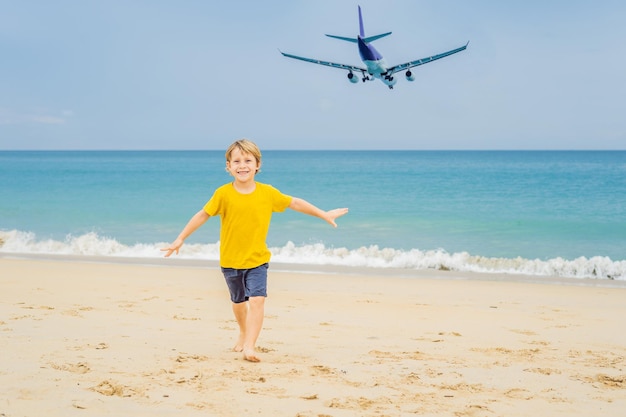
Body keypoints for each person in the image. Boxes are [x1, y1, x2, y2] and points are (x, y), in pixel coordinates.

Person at [162, 139, 348, 362]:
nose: (243, 165)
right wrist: (180, 238)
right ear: (228, 167)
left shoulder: (267, 193)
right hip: (230, 261)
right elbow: (203, 214)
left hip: (257, 260)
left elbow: (295, 203)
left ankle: (250, 346)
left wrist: (324, 214)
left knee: (257, 300)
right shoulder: (222, 194)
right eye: (237, 161)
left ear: (258, 165)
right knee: (238, 302)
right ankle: (243, 331)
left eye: (248, 160)